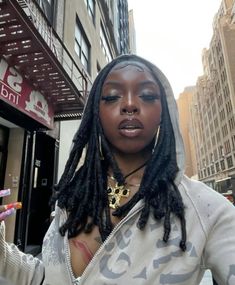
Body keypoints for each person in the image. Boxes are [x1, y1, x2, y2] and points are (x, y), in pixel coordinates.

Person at [0, 54, 235, 285]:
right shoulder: (75, 195)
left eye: (146, 95)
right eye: (112, 97)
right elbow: (46, 278)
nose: (130, 104)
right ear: (95, 113)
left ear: (164, 113)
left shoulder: (207, 210)